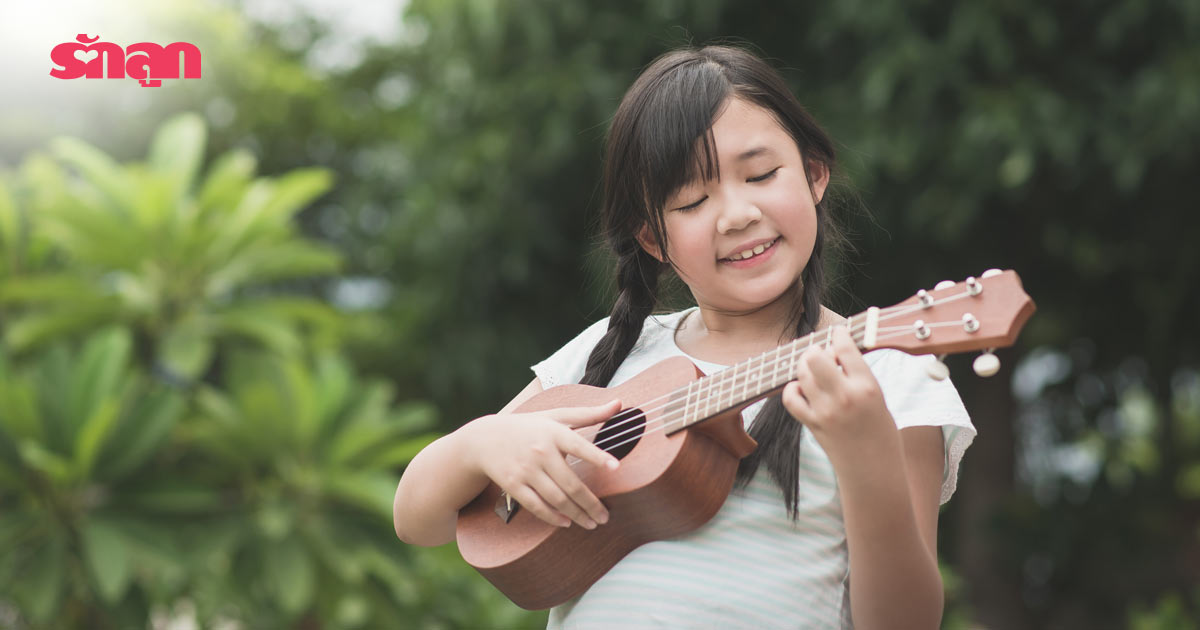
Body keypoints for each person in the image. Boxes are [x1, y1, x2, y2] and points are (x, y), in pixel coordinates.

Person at [393, 43, 976, 629]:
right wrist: (480, 443)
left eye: (762, 174)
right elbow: (418, 518)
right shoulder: (608, 355)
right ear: (652, 239)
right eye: (693, 200)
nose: (735, 214)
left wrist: (866, 456)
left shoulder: (886, 380)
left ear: (815, 174)